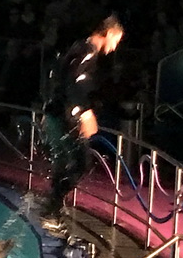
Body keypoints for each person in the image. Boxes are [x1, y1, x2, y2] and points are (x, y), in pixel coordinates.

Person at [37, 15, 124, 234]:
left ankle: (52, 208)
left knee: (64, 162)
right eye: (116, 41)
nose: (114, 48)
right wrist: (83, 112)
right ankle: (51, 210)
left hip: (56, 112)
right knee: (80, 163)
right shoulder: (88, 51)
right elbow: (73, 83)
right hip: (65, 114)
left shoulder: (78, 47)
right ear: (109, 33)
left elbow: (57, 76)